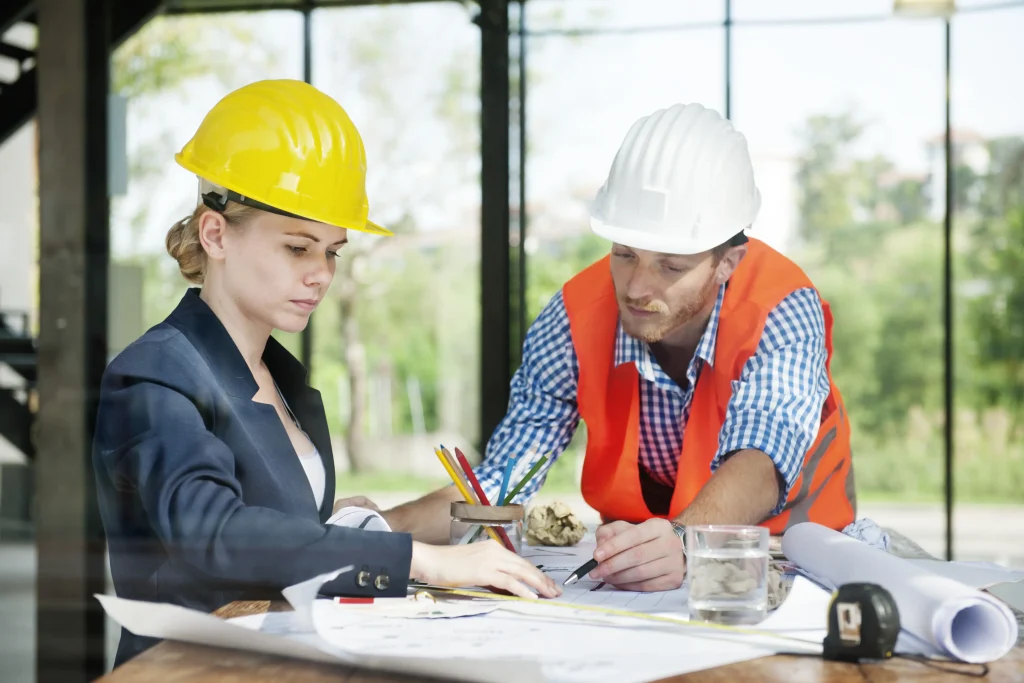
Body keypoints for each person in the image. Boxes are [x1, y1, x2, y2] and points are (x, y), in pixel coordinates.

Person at [92, 79, 558, 667]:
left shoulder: (283, 379)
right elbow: (212, 531)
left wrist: (341, 521)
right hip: (196, 673)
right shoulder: (154, 373)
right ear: (216, 235)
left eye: (332, 252)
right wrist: (415, 556)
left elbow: (280, 533)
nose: (321, 274)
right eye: (297, 248)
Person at [382, 103, 856, 592]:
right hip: (634, 578)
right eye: (624, 255)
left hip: (793, 564)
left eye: (670, 266)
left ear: (728, 260)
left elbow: (760, 459)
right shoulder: (572, 316)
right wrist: (381, 529)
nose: (635, 287)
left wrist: (683, 542)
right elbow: (503, 478)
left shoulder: (781, 306)